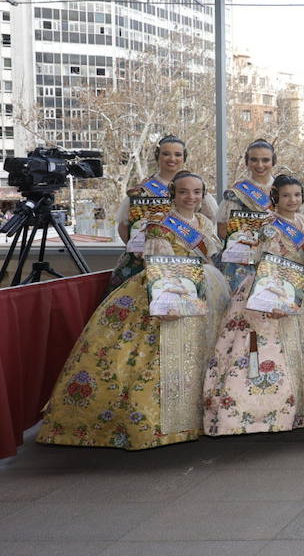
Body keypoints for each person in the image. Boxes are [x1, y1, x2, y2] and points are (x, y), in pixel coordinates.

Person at [40, 171, 229, 450]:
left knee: (197, 352)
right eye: (184, 192)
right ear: (172, 195)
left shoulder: (202, 222)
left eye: (197, 192)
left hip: (203, 289)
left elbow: (210, 257)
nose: (191, 197)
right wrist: (167, 301)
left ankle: (194, 417)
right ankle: (154, 423)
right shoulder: (159, 225)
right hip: (169, 290)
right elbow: (157, 266)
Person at [203, 175, 304, 436]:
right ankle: (263, 413)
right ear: (275, 197)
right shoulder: (268, 225)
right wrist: (274, 299)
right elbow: (265, 263)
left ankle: (299, 410)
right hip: (272, 288)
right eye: (287, 195)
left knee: (300, 347)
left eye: (297, 195)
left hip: (301, 286)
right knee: (268, 348)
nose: (292, 200)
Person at [109, 135, 215, 289]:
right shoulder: (141, 191)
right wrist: (140, 249)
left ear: (184, 157)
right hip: (144, 262)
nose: (172, 158)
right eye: (166, 154)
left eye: (178, 154)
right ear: (158, 156)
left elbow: (209, 220)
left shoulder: (194, 186)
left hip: (189, 264)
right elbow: (124, 226)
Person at [216, 138, 277, 291]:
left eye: (265, 160)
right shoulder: (237, 193)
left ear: (273, 161)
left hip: (278, 258)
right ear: (247, 162)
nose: (260, 165)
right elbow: (223, 231)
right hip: (244, 261)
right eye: (254, 160)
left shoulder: (287, 190)